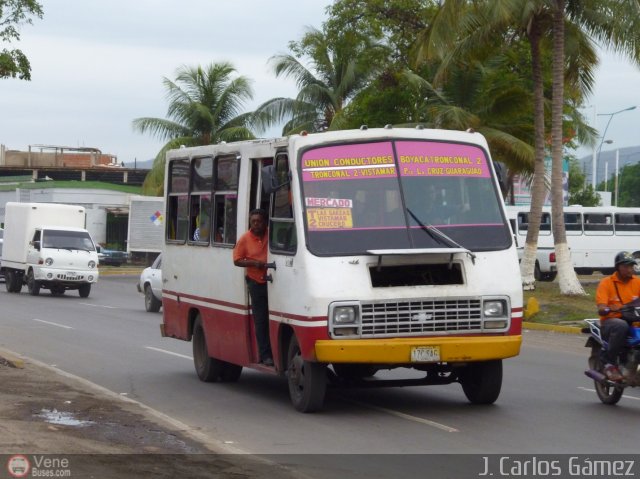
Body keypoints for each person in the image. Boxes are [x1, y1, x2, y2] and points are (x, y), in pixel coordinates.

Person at [232, 209, 273, 366]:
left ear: (265, 222)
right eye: (253, 221)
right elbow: (236, 260)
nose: (256, 224)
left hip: (273, 281)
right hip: (256, 282)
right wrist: (253, 263)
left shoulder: (271, 235)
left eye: (259, 221)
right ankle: (265, 355)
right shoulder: (245, 239)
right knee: (261, 319)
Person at [595, 251, 640, 382]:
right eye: (626, 266)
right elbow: (601, 305)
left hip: (634, 319)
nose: (629, 269)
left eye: (631, 266)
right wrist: (606, 308)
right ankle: (609, 363)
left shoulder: (637, 282)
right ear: (618, 267)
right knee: (621, 325)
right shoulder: (606, 283)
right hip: (611, 320)